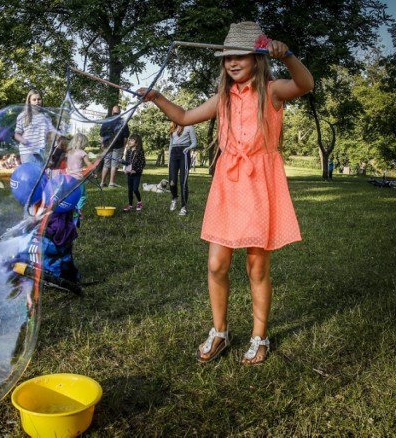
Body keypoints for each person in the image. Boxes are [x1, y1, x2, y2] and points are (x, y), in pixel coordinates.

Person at [138, 21, 314, 365]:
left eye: (240, 56)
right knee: (217, 264)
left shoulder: (274, 90)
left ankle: (259, 335)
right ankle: (220, 331)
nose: (232, 62)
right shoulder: (224, 98)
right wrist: (157, 97)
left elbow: (306, 84)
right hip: (228, 184)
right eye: (227, 57)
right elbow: (185, 116)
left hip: (260, 183)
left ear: (258, 58)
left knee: (256, 268)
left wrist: (289, 55)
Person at [14, 89, 54, 166]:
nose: (37, 101)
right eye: (34, 100)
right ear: (29, 102)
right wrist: (23, 140)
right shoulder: (23, 116)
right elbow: (17, 134)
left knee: (41, 176)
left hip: (41, 152)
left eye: (39, 99)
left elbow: (50, 135)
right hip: (27, 152)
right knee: (30, 176)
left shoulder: (46, 117)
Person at [168, 122, 197, 216]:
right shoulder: (173, 127)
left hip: (184, 152)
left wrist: (188, 148)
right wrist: (169, 160)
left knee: (183, 181)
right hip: (173, 153)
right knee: (172, 181)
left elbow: (194, 143)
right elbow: (170, 145)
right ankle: (174, 198)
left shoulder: (189, 127)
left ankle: (183, 207)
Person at [100, 105, 129, 188]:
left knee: (106, 163)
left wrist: (102, 144)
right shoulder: (123, 121)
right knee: (114, 164)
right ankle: (111, 182)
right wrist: (124, 146)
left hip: (107, 145)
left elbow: (102, 133)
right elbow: (126, 136)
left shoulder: (107, 120)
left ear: (112, 112)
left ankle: (102, 182)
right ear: (120, 112)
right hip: (118, 145)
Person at [65, 133, 92, 219]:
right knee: (82, 195)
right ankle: (79, 212)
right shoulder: (82, 153)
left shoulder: (69, 152)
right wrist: (94, 171)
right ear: (83, 143)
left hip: (69, 178)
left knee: (71, 195)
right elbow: (89, 164)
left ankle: (70, 211)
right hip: (78, 179)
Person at [121, 133, 146, 212]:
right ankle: (130, 205)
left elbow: (142, 163)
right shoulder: (128, 151)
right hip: (129, 174)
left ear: (137, 142)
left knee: (135, 189)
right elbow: (128, 162)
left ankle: (139, 202)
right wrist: (122, 162)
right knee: (130, 190)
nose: (129, 141)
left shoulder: (140, 151)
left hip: (136, 174)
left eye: (132, 140)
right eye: (129, 140)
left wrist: (136, 170)